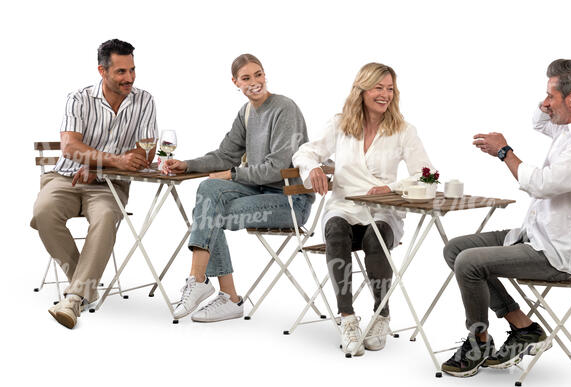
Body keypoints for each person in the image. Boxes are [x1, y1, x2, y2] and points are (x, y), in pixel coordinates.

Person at [441, 59, 571, 377]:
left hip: (558, 253)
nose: (545, 103)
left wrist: (505, 152)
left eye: (551, 95)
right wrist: (549, 95)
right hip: (538, 235)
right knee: (455, 249)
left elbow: (543, 185)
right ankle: (524, 327)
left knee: (469, 263)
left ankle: (478, 341)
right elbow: (539, 122)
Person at [293, 63, 434, 356]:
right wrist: (314, 168)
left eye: (390, 89)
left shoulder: (404, 131)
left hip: (383, 212)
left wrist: (392, 188)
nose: (385, 95)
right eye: (378, 88)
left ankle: (381, 315)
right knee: (334, 229)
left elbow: (427, 174)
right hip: (344, 207)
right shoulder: (340, 123)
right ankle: (347, 319)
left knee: (375, 235)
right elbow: (304, 152)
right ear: (362, 89)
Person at [163, 54, 313, 323]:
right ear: (236, 83)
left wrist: (233, 174)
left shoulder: (284, 109)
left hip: (290, 201)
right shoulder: (245, 113)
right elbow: (224, 155)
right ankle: (207, 285)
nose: (254, 82)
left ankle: (217, 291)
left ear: (265, 75)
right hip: (258, 191)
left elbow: (277, 167)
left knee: (209, 215)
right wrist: (187, 164)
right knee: (209, 190)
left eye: (258, 74)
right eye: (246, 78)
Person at [31, 39, 157, 329]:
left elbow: (146, 152)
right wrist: (107, 160)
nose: (129, 78)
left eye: (133, 70)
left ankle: (74, 299)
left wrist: (100, 168)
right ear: (102, 70)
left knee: (105, 217)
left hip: (108, 185)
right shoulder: (78, 98)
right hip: (66, 177)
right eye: (121, 72)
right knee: (44, 213)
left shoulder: (145, 100)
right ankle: (86, 284)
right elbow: (70, 147)